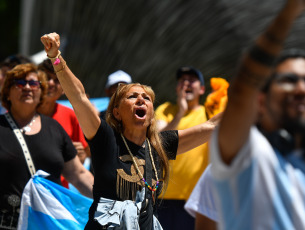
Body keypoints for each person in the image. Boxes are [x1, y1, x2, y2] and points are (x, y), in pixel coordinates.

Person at [40, 32, 221, 229]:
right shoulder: (106, 138)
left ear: (151, 114)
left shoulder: (158, 145)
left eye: (147, 98)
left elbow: (211, 126)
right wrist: (56, 58)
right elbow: (79, 97)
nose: (141, 99)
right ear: (116, 112)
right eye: (132, 96)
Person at [207, 0, 305, 229]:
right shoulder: (248, 152)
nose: (301, 89)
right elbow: (242, 90)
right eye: (289, 81)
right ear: (261, 101)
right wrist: (290, 11)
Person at [0, 63, 94, 229]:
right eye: (19, 83)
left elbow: (78, 174)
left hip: (47, 224)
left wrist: (109, 199)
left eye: (33, 83)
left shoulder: (54, 129)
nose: (27, 87)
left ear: (41, 92)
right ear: (7, 93)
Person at [154, 66, 208, 229]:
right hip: (162, 199)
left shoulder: (209, 113)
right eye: (182, 80)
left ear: (202, 89)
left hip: (195, 201)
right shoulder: (165, 109)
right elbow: (157, 140)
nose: (186, 83)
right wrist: (180, 112)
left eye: (192, 80)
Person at [37, 58, 91, 186]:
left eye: (57, 80)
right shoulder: (22, 114)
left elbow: (84, 155)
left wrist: (81, 157)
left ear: (63, 88)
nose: (51, 83)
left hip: (60, 193)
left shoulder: (71, 115)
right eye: (47, 78)